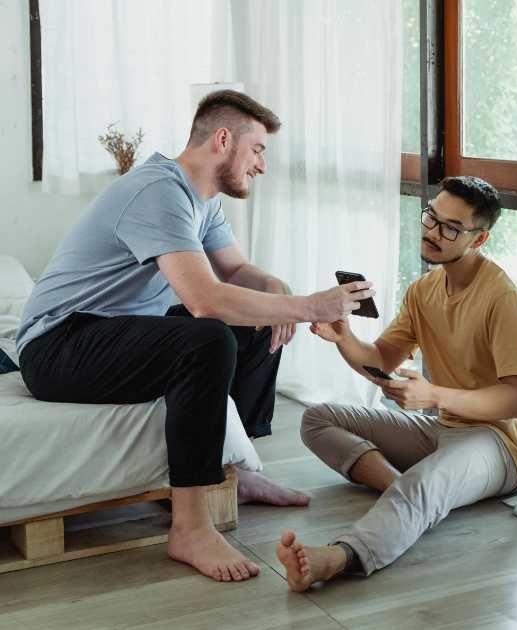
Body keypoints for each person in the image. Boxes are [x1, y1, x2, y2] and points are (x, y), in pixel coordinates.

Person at [17, 90, 375, 583]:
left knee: (255, 321)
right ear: (223, 140)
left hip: (107, 332)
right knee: (208, 338)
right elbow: (205, 299)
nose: (262, 165)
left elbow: (237, 271)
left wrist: (276, 289)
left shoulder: (201, 201)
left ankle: (238, 469)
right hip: (57, 346)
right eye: (257, 150)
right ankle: (189, 527)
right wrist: (310, 305)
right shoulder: (157, 192)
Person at [275, 175, 517, 591]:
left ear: (479, 239)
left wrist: (433, 395)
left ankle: (341, 556)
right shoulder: (424, 290)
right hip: (444, 426)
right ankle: (398, 489)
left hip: (502, 442)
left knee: (427, 482)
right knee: (318, 419)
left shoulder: (507, 300)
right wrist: (343, 337)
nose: (433, 232)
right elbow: (381, 359)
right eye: (431, 217)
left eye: (451, 228)